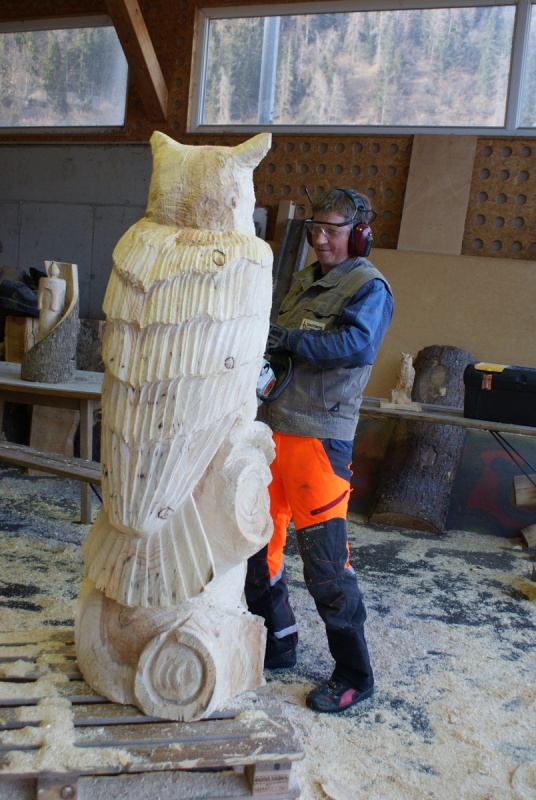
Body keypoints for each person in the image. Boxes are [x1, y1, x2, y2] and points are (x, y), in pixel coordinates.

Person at [245, 186, 394, 713]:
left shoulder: (369, 287)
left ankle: (355, 675)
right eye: (316, 229)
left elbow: (355, 346)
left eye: (333, 231)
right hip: (273, 429)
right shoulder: (305, 281)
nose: (321, 239)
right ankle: (278, 641)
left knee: (326, 564)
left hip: (319, 437)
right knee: (258, 544)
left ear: (360, 235)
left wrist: (288, 339)